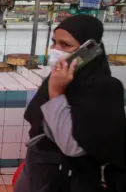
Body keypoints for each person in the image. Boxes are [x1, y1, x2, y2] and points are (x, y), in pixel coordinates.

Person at [14, 15, 125, 192]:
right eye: (54, 42)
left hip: (66, 179)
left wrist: (57, 94)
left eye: (65, 45)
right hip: (41, 169)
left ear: (89, 49)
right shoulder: (63, 77)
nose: (55, 50)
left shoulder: (104, 88)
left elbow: (72, 147)